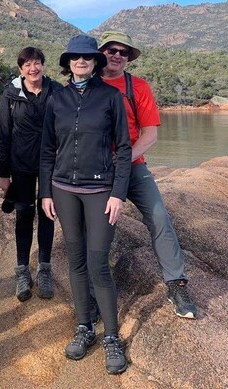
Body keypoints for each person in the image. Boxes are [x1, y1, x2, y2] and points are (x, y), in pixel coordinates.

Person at [40, 34, 132, 374]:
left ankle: (111, 337)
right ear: (68, 62)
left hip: (99, 191)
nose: (81, 61)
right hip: (63, 190)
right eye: (75, 57)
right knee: (76, 260)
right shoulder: (57, 99)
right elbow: (47, 148)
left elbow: (123, 148)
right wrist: (45, 192)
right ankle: (84, 327)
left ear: (95, 63)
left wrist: (118, 194)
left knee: (98, 264)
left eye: (87, 57)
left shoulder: (110, 98)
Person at [98, 31, 197, 318]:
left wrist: (124, 160)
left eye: (123, 52)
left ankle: (176, 285)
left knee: (159, 217)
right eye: (111, 49)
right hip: (100, 171)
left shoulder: (138, 87)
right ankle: (96, 289)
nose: (117, 55)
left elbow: (150, 135)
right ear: (101, 52)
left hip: (133, 165)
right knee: (100, 227)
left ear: (128, 58)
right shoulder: (86, 86)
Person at [0, 46, 62, 302]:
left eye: (37, 63)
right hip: (21, 165)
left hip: (51, 165)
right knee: (24, 215)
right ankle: (22, 270)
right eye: (27, 64)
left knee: (48, 214)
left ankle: (44, 268)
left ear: (44, 65)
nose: (32, 68)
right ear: (20, 68)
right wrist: (4, 174)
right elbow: (3, 133)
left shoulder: (56, 91)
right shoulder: (11, 94)